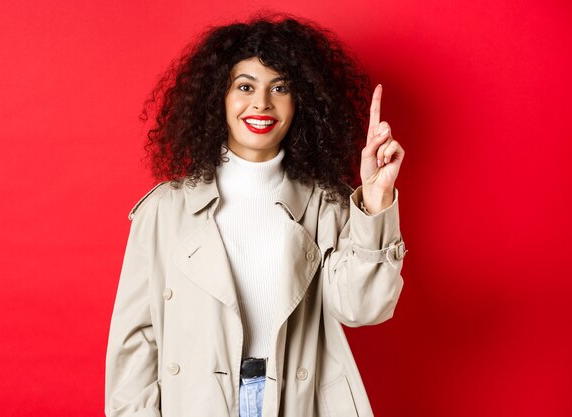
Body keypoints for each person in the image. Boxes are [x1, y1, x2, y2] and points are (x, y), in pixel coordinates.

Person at [105, 12, 408, 417]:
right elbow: (134, 342)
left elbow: (362, 308)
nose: (261, 103)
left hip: (296, 404)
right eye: (245, 86)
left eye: (279, 88)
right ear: (219, 99)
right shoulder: (164, 210)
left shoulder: (326, 204)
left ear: (300, 102)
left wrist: (374, 198)